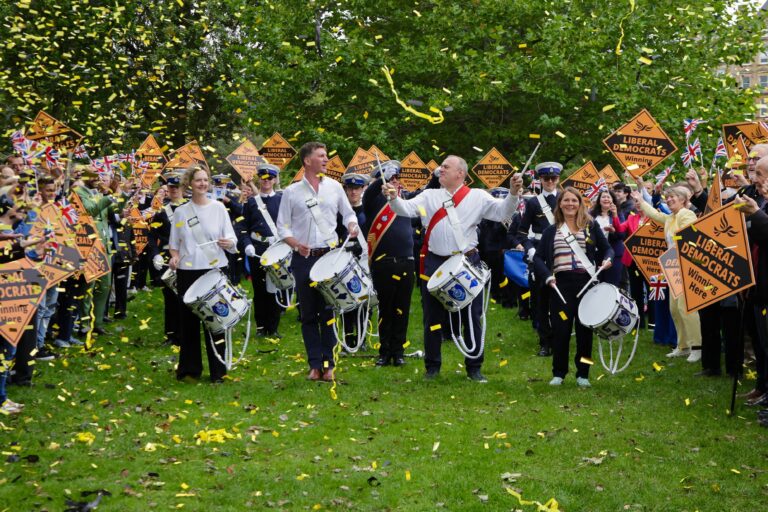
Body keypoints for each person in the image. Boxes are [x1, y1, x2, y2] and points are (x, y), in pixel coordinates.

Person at [383, 155, 522, 382]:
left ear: (461, 173)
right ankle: (432, 367)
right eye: (441, 166)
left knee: (472, 316)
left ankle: (474, 367)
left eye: (446, 167)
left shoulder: (477, 196)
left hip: (467, 262)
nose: (441, 169)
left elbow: (502, 213)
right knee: (432, 317)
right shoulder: (429, 195)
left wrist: (513, 193)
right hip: (435, 262)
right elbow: (404, 209)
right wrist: (392, 198)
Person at [276, 142, 359, 382]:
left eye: (326, 156)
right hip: (303, 259)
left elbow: (349, 213)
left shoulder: (334, 187)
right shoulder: (291, 192)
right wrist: (294, 244)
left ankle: (328, 364)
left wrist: (351, 225)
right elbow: (282, 227)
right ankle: (314, 364)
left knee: (329, 312)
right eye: (321, 156)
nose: (326, 160)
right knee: (309, 314)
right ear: (307, 160)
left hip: (329, 258)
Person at [533, 187, 613, 387]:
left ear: (580, 204)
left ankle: (583, 373)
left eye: (574, 200)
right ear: (560, 204)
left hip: (586, 284)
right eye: (566, 200)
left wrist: (608, 259)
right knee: (561, 330)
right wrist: (547, 277)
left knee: (585, 331)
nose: (570, 204)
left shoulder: (590, 226)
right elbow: (538, 258)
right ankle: (558, 372)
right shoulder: (551, 230)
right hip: (561, 286)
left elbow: (607, 248)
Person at [168, 165, 238, 383]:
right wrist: (174, 257)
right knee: (188, 323)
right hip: (187, 272)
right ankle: (189, 370)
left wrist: (228, 243)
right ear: (190, 183)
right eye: (198, 180)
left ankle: (219, 371)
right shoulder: (180, 212)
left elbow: (232, 240)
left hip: (213, 269)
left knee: (216, 320)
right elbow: (174, 244)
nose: (203, 184)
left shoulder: (218, 208)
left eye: (205, 180)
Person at [633, 185, 701, 361]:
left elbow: (688, 238)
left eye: (673, 197)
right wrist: (640, 201)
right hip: (673, 267)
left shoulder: (687, 215)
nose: (669, 200)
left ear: (683, 200)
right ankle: (683, 345)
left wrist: (670, 253)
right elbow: (655, 215)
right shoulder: (671, 218)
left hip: (686, 266)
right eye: (667, 197)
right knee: (674, 309)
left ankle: (697, 346)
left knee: (686, 308)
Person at [363, 160, 414, 367]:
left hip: (407, 261)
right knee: (386, 308)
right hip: (383, 262)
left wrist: (436, 178)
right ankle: (384, 352)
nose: (394, 182)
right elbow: (368, 195)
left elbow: (427, 196)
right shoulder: (374, 201)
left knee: (402, 308)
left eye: (396, 178)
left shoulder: (405, 199)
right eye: (390, 178)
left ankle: (398, 351)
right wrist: (378, 180)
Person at [517, 162, 562, 356]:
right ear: (540, 180)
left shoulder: (566, 199)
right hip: (539, 256)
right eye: (546, 178)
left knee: (561, 299)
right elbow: (521, 232)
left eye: (553, 178)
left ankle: (561, 338)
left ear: (558, 179)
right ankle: (545, 342)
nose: (550, 182)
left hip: (563, 254)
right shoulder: (533, 203)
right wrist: (530, 250)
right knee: (540, 300)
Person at [238, 164, 284, 339]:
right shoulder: (250, 203)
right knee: (259, 288)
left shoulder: (280, 200)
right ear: (259, 179)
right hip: (257, 248)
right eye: (263, 178)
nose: (266, 181)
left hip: (275, 248)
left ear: (274, 180)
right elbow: (243, 227)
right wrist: (247, 243)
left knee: (274, 288)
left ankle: (273, 327)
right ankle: (261, 326)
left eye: (270, 178)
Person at [148, 173, 186, 345]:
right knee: (170, 297)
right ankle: (171, 334)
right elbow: (151, 235)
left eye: (177, 187)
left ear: (183, 188)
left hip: (188, 257)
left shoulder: (191, 208)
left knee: (186, 297)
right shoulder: (162, 211)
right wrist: (155, 253)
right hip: (167, 259)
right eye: (171, 187)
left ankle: (186, 333)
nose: (174, 190)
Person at [338, 171, 369, 351]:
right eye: (350, 189)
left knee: (363, 299)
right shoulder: (339, 211)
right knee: (344, 300)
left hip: (363, 258)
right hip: (343, 259)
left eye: (357, 188)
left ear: (363, 188)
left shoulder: (367, 210)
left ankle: (362, 338)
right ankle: (348, 337)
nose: (353, 193)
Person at [589, 190, 625, 287]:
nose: (606, 199)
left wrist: (613, 231)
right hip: (595, 255)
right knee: (596, 284)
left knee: (611, 285)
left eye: (608, 197)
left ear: (612, 200)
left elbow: (622, 235)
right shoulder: (591, 214)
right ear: (599, 200)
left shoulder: (618, 214)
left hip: (614, 255)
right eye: (603, 197)